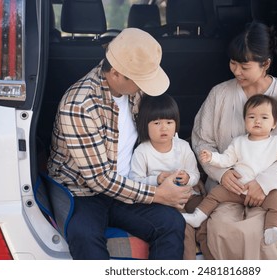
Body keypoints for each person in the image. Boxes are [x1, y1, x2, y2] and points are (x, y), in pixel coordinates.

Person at [47, 28, 192, 260]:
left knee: (171, 223)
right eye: (141, 80)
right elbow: (99, 180)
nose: (145, 87)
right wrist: (157, 194)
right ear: (115, 73)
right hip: (82, 191)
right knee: (84, 235)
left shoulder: (133, 91)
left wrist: (159, 177)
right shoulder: (79, 105)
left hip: (126, 183)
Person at [191, 22, 277, 259]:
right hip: (229, 188)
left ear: (265, 64)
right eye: (233, 63)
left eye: (244, 66)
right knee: (222, 228)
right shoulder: (219, 94)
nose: (236, 71)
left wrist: (264, 183)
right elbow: (202, 141)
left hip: (274, 190)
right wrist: (222, 173)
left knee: (265, 234)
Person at [183, 95, 277, 246]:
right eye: (251, 116)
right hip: (238, 188)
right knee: (215, 194)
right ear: (245, 121)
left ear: (274, 123)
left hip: (264, 192)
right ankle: (198, 216)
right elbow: (226, 160)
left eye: (264, 117)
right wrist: (212, 157)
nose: (257, 121)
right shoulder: (239, 142)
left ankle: (272, 229)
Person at [129, 94, 204, 259]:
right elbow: (134, 181)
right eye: (157, 123)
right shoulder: (142, 151)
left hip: (189, 195)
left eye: (169, 123)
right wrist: (156, 180)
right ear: (144, 125)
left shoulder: (183, 146)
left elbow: (195, 174)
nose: (164, 128)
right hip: (165, 201)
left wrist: (188, 178)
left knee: (207, 217)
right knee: (184, 229)